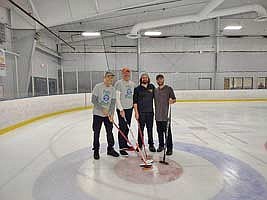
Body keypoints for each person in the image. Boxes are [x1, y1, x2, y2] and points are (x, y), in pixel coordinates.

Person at [91, 71, 119, 160]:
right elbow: (94, 100)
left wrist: (111, 114)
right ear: (105, 78)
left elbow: (113, 102)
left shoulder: (113, 89)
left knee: (109, 133)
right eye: (109, 77)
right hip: (97, 115)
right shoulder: (98, 87)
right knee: (96, 133)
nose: (110, 79)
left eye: (112, 78)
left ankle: (110, 149)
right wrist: (102, 109)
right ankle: (96, 150)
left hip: (108, 116)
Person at [114, 67, 136, 156]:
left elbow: (133, 96)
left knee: (127, 127)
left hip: (129, 109)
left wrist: (134, 108)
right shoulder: (119, 83)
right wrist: (121, 109)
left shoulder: (132, 84)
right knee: (122, 127)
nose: (126, 75)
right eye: (125, 73)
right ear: (122, 74)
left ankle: (125, 144)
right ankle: (121, 147)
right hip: (122, 109)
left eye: (128, 73)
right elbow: (117, 98)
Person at [133, 73, 156, 152]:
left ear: (148, 79)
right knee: (140, 129)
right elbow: (135, 102)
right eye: (143, 78)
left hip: (150, 112)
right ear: (141, 79)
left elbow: (157, 97)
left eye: (146, 77)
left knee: (150, 129)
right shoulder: (137, 89)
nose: (144, 79)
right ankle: (139, 145)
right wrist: (136, 113)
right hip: (141, 113)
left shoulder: (152, 87)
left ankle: (151, 145)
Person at [154, 74, 176, 155]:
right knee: (159, 132)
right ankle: (161, 145)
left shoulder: (168, 89)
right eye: (158, 79)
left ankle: (169, 148)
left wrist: (172, 101)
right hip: (157, 116)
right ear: (156, 81)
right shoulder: (155, 90)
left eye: (161, 79)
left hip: (165, 116)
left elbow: (174, 99)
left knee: (167, 133)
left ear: (163, 80)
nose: (160, 81)